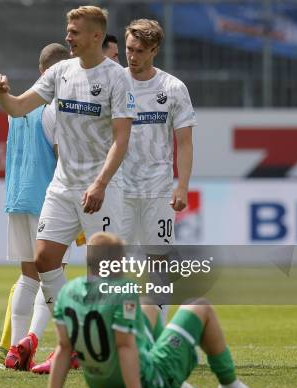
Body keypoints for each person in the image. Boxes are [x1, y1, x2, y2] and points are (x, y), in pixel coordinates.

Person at [0, 5, 135, 375]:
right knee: (44, 260)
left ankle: (114, 346)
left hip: (101, 187)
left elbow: (121, 139)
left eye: (75, 31)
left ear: (97, 36)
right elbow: (20, 107)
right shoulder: (60, 72)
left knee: (105, 271)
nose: (68, 36)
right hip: (62, 186)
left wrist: (101, 182)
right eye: (68, 30)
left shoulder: (117, 78)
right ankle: (71, 341)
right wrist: (2, 94)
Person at [33, 232, 267, 388]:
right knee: (200, 307)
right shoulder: (123, 290)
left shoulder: (68, 290)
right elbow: (125, 347)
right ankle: (230, 386)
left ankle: (173, 376)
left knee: (148, 306)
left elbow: (63, 347)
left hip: (100, 386)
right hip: (142, 384)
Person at [0, 43, 73, 371]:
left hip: (17, 199)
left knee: (28, 277)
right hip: (47, 200)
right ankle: (33, 341)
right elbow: (63, 157)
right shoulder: (54, 109)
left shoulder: (18, 109)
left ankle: (15, 349)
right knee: (54, 272)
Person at [120, 19, 197, 322]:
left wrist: (182, 186)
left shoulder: (173, 88)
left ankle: (156, 333)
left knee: (158, 263)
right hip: (119, 190)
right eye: (128, 49)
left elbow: (186, 143)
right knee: (111, 264)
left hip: (158, 190)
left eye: (140, 50)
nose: (132, 56)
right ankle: (116, 333)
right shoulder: (114, 82)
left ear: (154, 50)